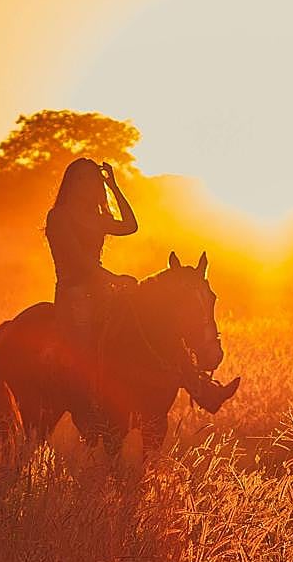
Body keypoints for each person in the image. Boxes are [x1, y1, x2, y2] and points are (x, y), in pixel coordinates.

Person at [44, 157, 237, 414]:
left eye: (92, 178)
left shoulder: (96, 216)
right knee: (84, 351)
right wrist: (114, 279)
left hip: (104, 289)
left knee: (156, 326)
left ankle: (202, 389)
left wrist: (113, 186)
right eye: (81, 177)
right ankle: (88, 407)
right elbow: (79, 263)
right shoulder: (59, 216)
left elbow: (130, 225)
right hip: (74, 293)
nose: (87, 183)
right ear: (70, 182)